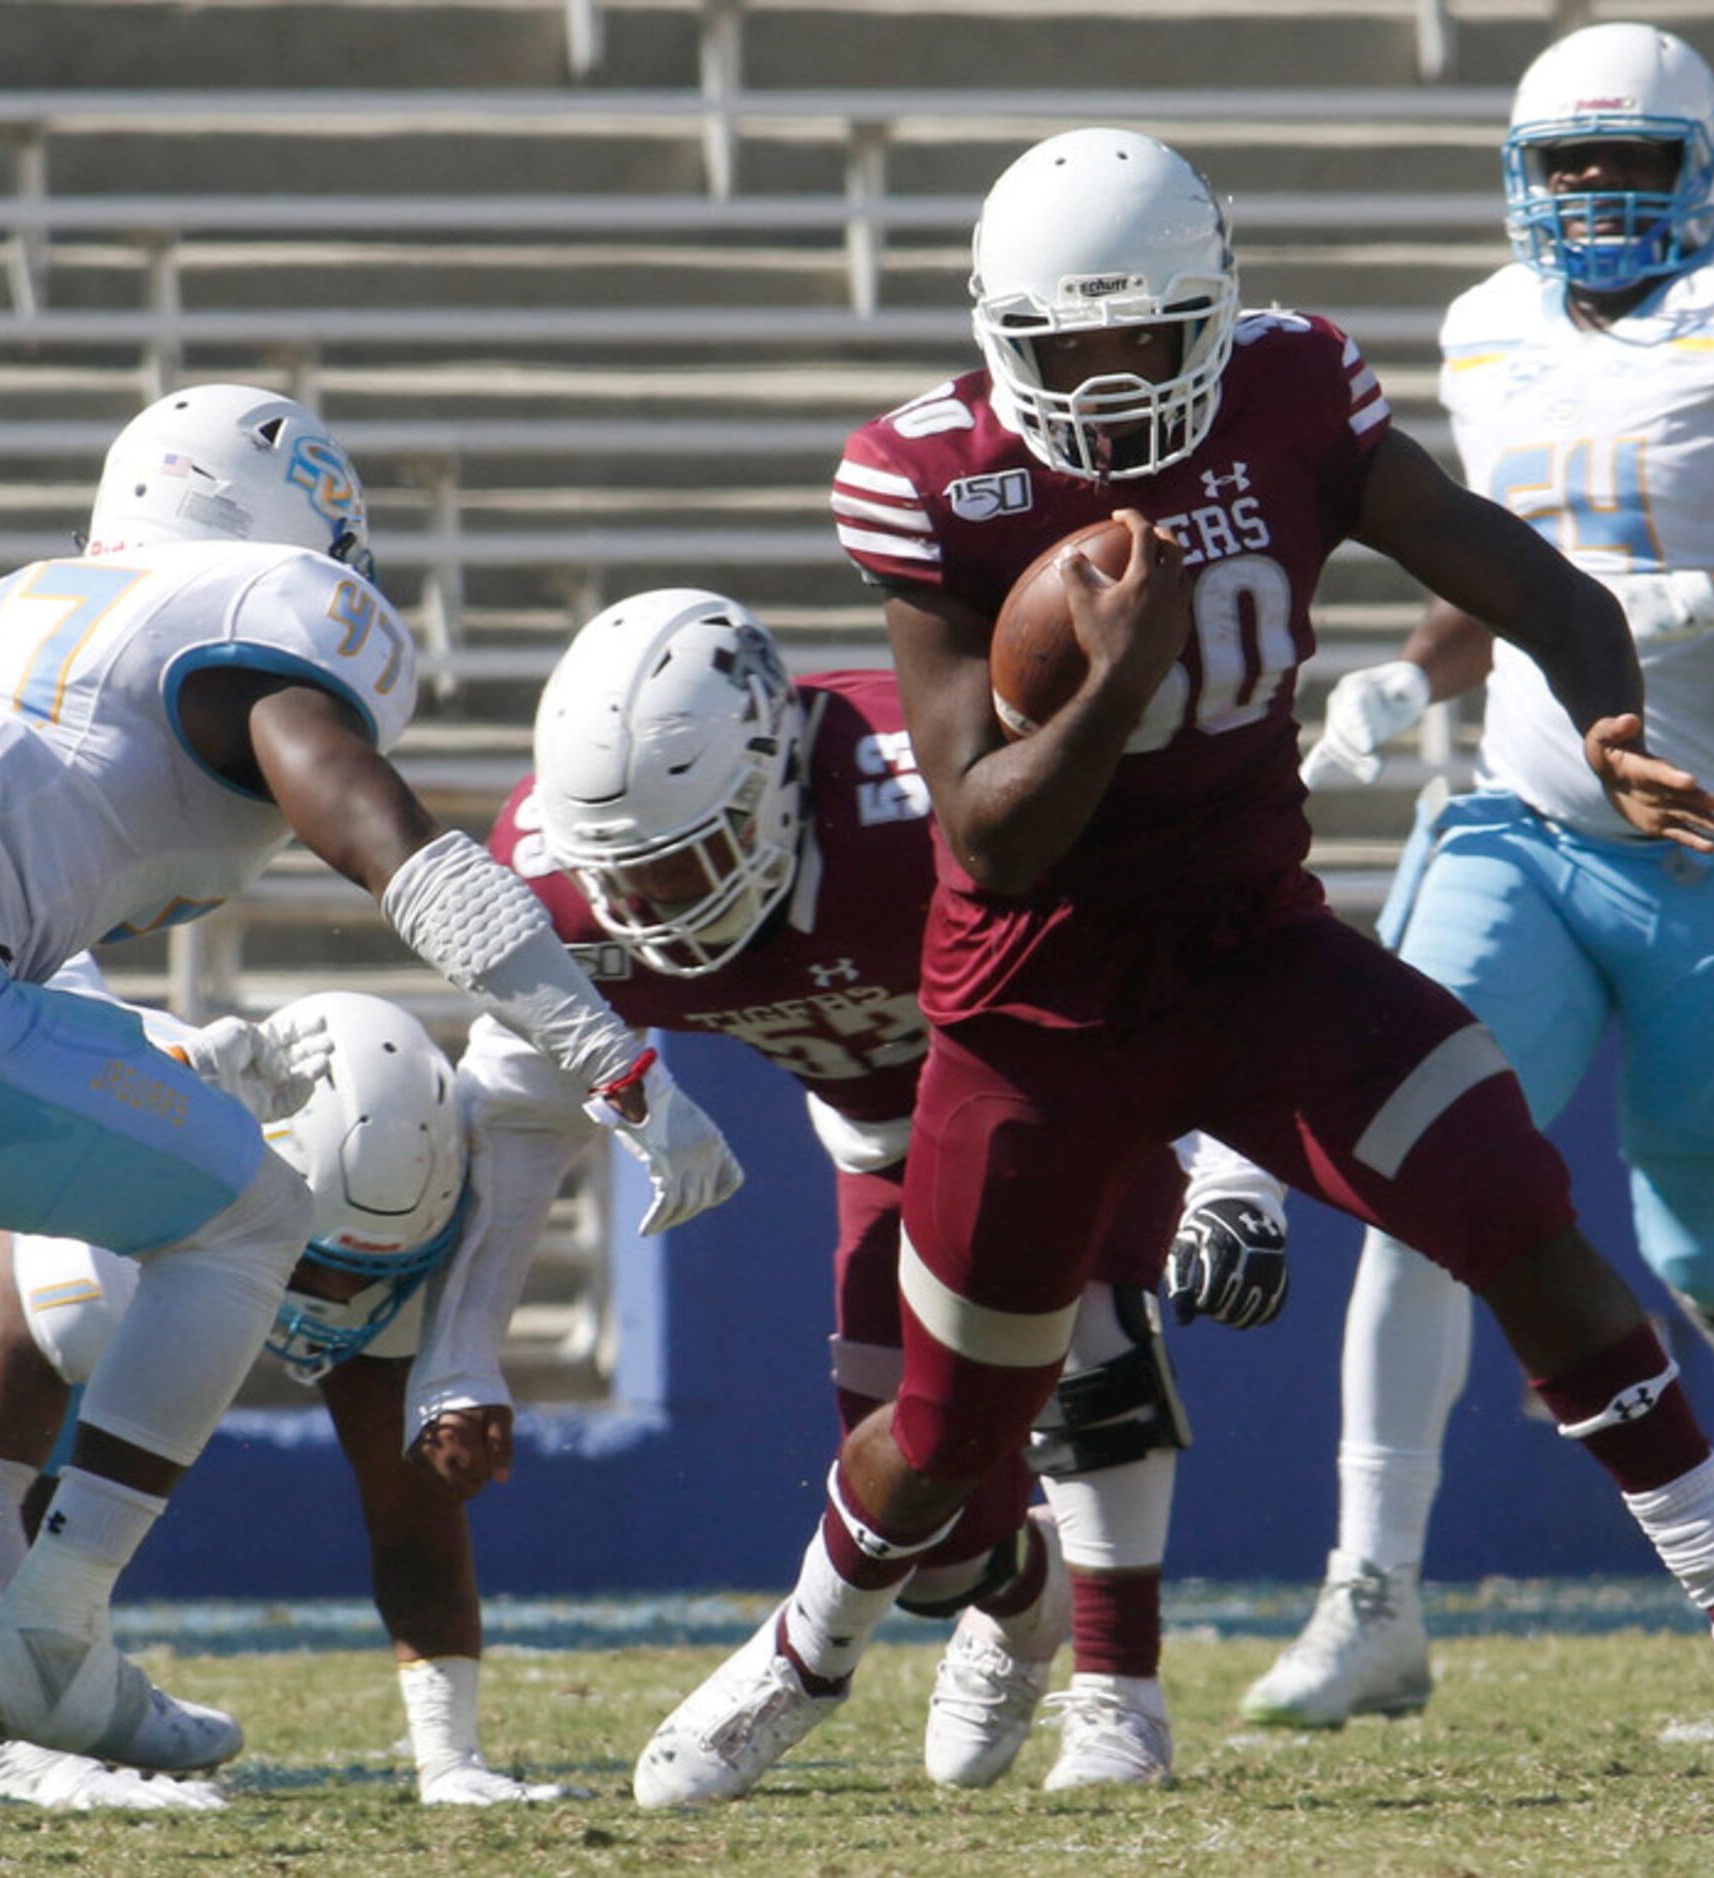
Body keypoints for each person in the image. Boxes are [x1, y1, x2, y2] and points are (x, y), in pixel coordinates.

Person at [634, 126, 1714, 1809]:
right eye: (1064, 346)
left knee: (1515, 1206)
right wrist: (1112, 682)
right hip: (1038, 1006)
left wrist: (1606, 710)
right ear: (995, 332)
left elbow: (1529, 578)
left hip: (1257, 950)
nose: (1104, 383)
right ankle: (800, 1653)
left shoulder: (1296, 391)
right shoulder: (931, 472)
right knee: (952, 1434)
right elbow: (990, 834)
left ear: (1215, 311)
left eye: (1142, 339)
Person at [0, 382, 741, 1776]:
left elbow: (29, 932)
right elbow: (377, 832)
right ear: (265, 515)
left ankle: (40, 1654)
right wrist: (614, 1057)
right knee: (254, 1212)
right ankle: (47, 1637)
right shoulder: (263, 613)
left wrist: (161, 1059)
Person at [1241, 22, 1714, 1729]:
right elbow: (1498, 550)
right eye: (1565, 163)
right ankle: (1375, 1592)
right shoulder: (1492, 331)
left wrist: (1708, 595)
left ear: (1699, 170)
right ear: (1515, 172)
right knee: (1413, 1187)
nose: (1592, 193)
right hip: (1516, 825)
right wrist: (1408, 679)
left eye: (1628, 162)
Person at [436, 586, 1291, 1790]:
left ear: (779, 779)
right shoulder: (570, 897)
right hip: (886, 1133)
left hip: (1060, 1081)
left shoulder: (924, 795)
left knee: (1086, 1335)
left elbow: (1183, 949)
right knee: (930, 1531)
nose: (660, 907)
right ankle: (1022, 1596)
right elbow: (519, 1113)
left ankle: (1118, 1696)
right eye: (632, 875)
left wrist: (1236, 1170)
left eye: (695, 858)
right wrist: (465, 1352)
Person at [0, 983, 576, 1809]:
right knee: (53, 1417)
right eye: (313, 1270)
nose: (334, 1304)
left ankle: (17, 1685)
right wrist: (45, 1754)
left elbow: (409, 1520)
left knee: (77, 1447)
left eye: (370, 1274)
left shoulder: (381, 1247)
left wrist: (450, 1761)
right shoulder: (108, 1219)